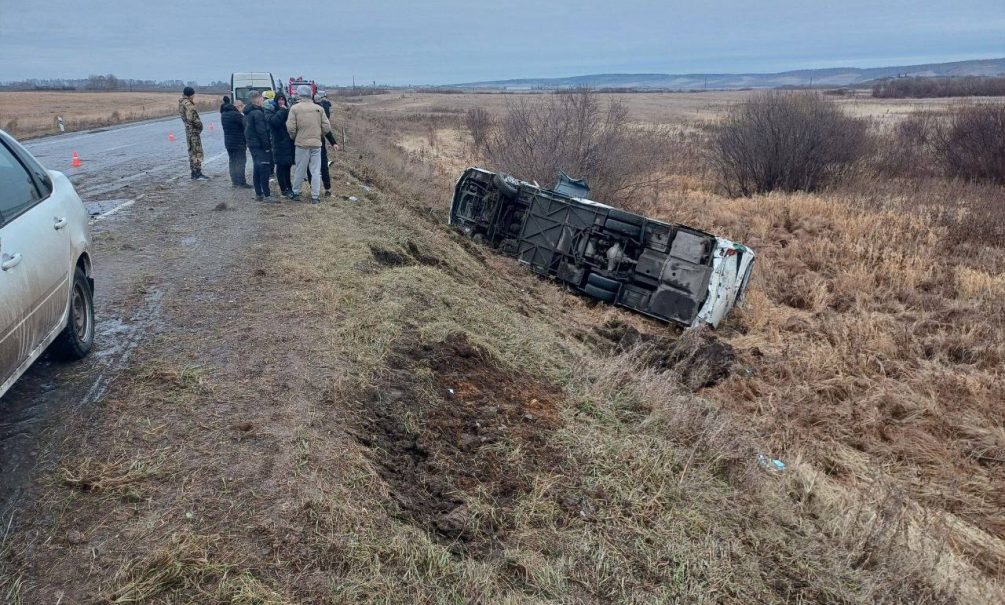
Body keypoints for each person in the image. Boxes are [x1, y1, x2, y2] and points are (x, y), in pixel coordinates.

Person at [286, 84, 331, 203]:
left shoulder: (295, 108)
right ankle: (315, 196)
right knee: (316, 171)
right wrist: (319, 135)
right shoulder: (319, 108)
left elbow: (290, 127)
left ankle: (296, 192)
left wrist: (295, 137)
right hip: (316, 143)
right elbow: (327, 127)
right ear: (310, 94)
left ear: (299, 95)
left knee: (300, 169)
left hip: (301, 144)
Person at [243, 91, 274, 201]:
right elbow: (262, 132)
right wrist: (267, 146)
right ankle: (267, 195)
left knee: (257, 168)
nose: (263, 101)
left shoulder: (247, 112)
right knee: (264, 169)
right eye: (261, 98)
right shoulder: (257, 113)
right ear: (256, 99)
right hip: (260, 145)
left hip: (252, 145)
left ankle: (259, 193)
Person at [220, 96, 251, 188]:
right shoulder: (237, 115)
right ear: (238, 107)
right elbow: (246, 126)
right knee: (241, 161)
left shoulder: (224, 114)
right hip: (238, 142)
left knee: (232, 161)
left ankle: (234, 181)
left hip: (228, 142)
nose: (243, 109)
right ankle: (242, 182)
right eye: (242, 107)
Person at [178, 86, 209, 180]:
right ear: (191, 94)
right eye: (193, 94)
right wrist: (200, 125)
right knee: (197, 152)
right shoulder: (188, 104)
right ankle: (197, 173)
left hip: (188, 130)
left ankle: (194, 173)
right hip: (193, 130)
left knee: (192, 152)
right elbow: (192, 117)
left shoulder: (181, 102)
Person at [269, 94, 295, 197]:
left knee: (287, 166)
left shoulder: (288, 111)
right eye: (279, 100)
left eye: (282, 99)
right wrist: (282, 111)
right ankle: (284, 189)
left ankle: (289, 187)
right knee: (280, 166)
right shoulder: (272, 111)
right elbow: (274, 122)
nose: (281, 102)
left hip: (288, 143)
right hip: (278, 143)